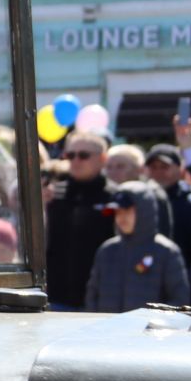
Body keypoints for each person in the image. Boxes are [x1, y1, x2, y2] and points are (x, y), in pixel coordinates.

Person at [85, 183, 190, 312]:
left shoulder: (166, 252)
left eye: (127, 210)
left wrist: (155, 325)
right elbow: (92, 295)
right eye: (118, 212)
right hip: (107, 330)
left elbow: (179, 299)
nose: (121, 217)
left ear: (144, 211)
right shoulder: (107, 250)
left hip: (148, 330)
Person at [44, 132, 115, 310]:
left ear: (102, 159)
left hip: (99, 298)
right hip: (57, 296)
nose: (76, 160)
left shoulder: (114, 197)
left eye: (83, 155)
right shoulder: (53, 194)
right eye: (70, 155)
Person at [145, 142, 191, 264]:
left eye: (164, 167)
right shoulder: (142, 202)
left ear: (180, 169)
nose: (158, 172)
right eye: (153, 167)